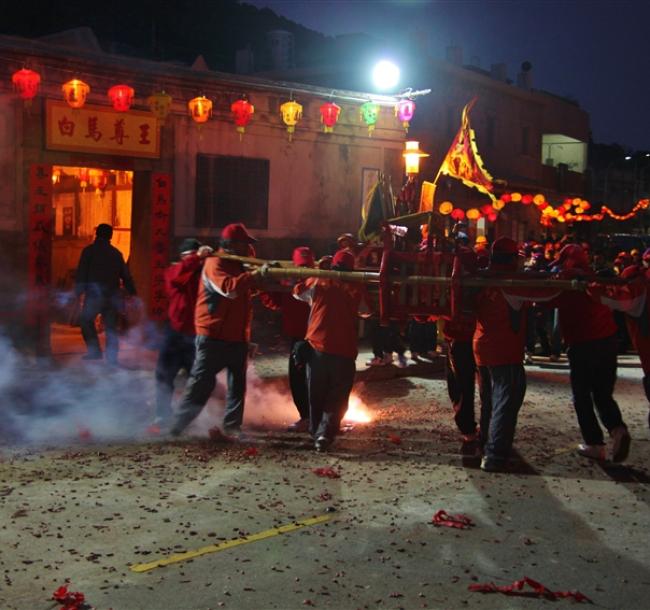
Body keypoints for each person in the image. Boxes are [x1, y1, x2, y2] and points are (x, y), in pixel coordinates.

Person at [473, 237, 559, 472]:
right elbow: (546, 295)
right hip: (504, 350)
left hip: (482, 346)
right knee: (506, 402)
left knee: (490, 402)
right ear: (511, 259)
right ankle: (495, 455)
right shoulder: (509, 281)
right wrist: (565, 279)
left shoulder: (483, 278)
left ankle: (486, 445)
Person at [170, 223, 262, 438]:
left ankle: (232, 427)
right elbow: (229, 289)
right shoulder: (215, 263)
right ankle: (177, 426)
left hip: (237, 336)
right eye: (244, 244)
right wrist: (254, 275)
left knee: (237, 387)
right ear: (231, 244)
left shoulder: (239, 265)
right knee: (201, 384)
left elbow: (249, 290)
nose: (248, 249)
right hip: (213, 335)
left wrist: (257, 276)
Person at [552, 244, 631, 462]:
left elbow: (545, 300)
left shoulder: (565, 281)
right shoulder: (596, 279)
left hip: (582, 344)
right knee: (603, 393)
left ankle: (594, 443)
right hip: (607, 341)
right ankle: (617, 429)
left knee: (582, 395)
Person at [293, 249, 369, 451]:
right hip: (343, 351)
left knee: (316, 394)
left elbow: (297, 292)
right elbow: (367, 311)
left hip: (317, 348)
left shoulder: (319, 280)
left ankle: (316, 432)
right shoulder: (356, 287)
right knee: (337, 398)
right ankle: (324, 435)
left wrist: (317, 270)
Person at [153, 238, 212, 428]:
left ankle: (188, 417)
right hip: (175, 332)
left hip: (197, 333)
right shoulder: (174, 271)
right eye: (191, 256)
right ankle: (162, 414)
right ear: (183, 258)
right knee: (164, 375)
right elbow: (178, 276)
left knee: (196, 378)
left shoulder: (205, 273)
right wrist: (196, 258)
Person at [260, 246, 314, 432]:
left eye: (307, 266)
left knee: (315, 379)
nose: (304, 270)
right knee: (298, 379)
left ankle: (318, 418)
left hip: (317, 337)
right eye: (302, 266)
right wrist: (267, 284)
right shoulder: (287, 282)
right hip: (298, 337)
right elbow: (273, 302)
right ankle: (308, 417)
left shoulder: (319, 279)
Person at [74, 223, 136, 364]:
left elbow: (81, 273)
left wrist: (78, 292)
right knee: (111, 328)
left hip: (94, 297)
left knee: (85, 321)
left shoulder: (88, 251)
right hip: (112, 297)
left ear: (97, 234)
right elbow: (126, 276)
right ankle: (112, 357)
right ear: (110, 236)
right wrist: (133, 293)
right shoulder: (116, 253)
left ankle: (95, 351)